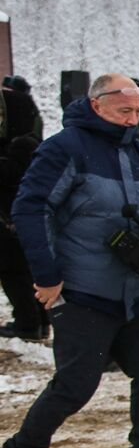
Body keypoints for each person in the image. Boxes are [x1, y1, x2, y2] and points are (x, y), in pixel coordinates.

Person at [1, 74, 139, 448]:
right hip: (83, 290)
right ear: (97, 105)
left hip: (135, 289)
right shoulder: (64, 148)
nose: (133, 120)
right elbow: (31, 208)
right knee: (76, 384)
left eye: (138, 112)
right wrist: (46, 275)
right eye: (125, 111)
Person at [0, 136, 48, 342]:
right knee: (27, 273)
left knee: (13, 274)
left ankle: (28, 325)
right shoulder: (30, 146)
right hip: (26, 221)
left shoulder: (14, 154)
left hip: (10, 223)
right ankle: (41, 322)